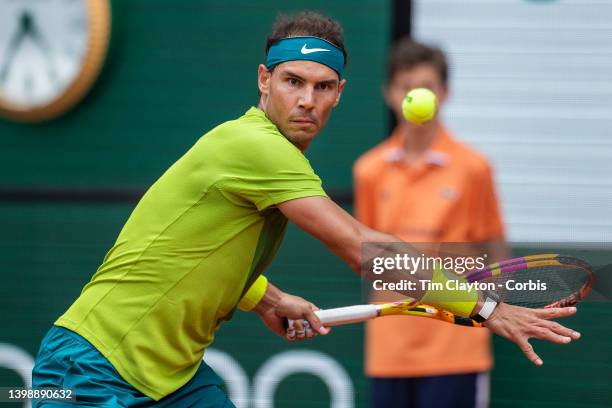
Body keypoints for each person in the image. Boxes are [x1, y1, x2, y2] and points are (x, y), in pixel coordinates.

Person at [31, 11, 580, 408]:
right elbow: (366, 250)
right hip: (91, 367)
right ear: (264, 80)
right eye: (292, 82)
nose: (306, 101)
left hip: (172, 380)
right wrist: (482, 306)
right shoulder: (254, 146)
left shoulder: (269, 156)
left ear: (339, 93)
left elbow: (189, 244)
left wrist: (264, 296)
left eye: (322, 87)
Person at [354, 38, 508, 408]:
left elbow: (495, 250)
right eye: (406, 87)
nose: (415, 96)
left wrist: (490, 311)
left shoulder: (474, 169)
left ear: (445, 93)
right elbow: (369, 258)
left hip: (456, 348)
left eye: (426, 87)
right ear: (389, 93)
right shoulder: (369, 171)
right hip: (389, 351)